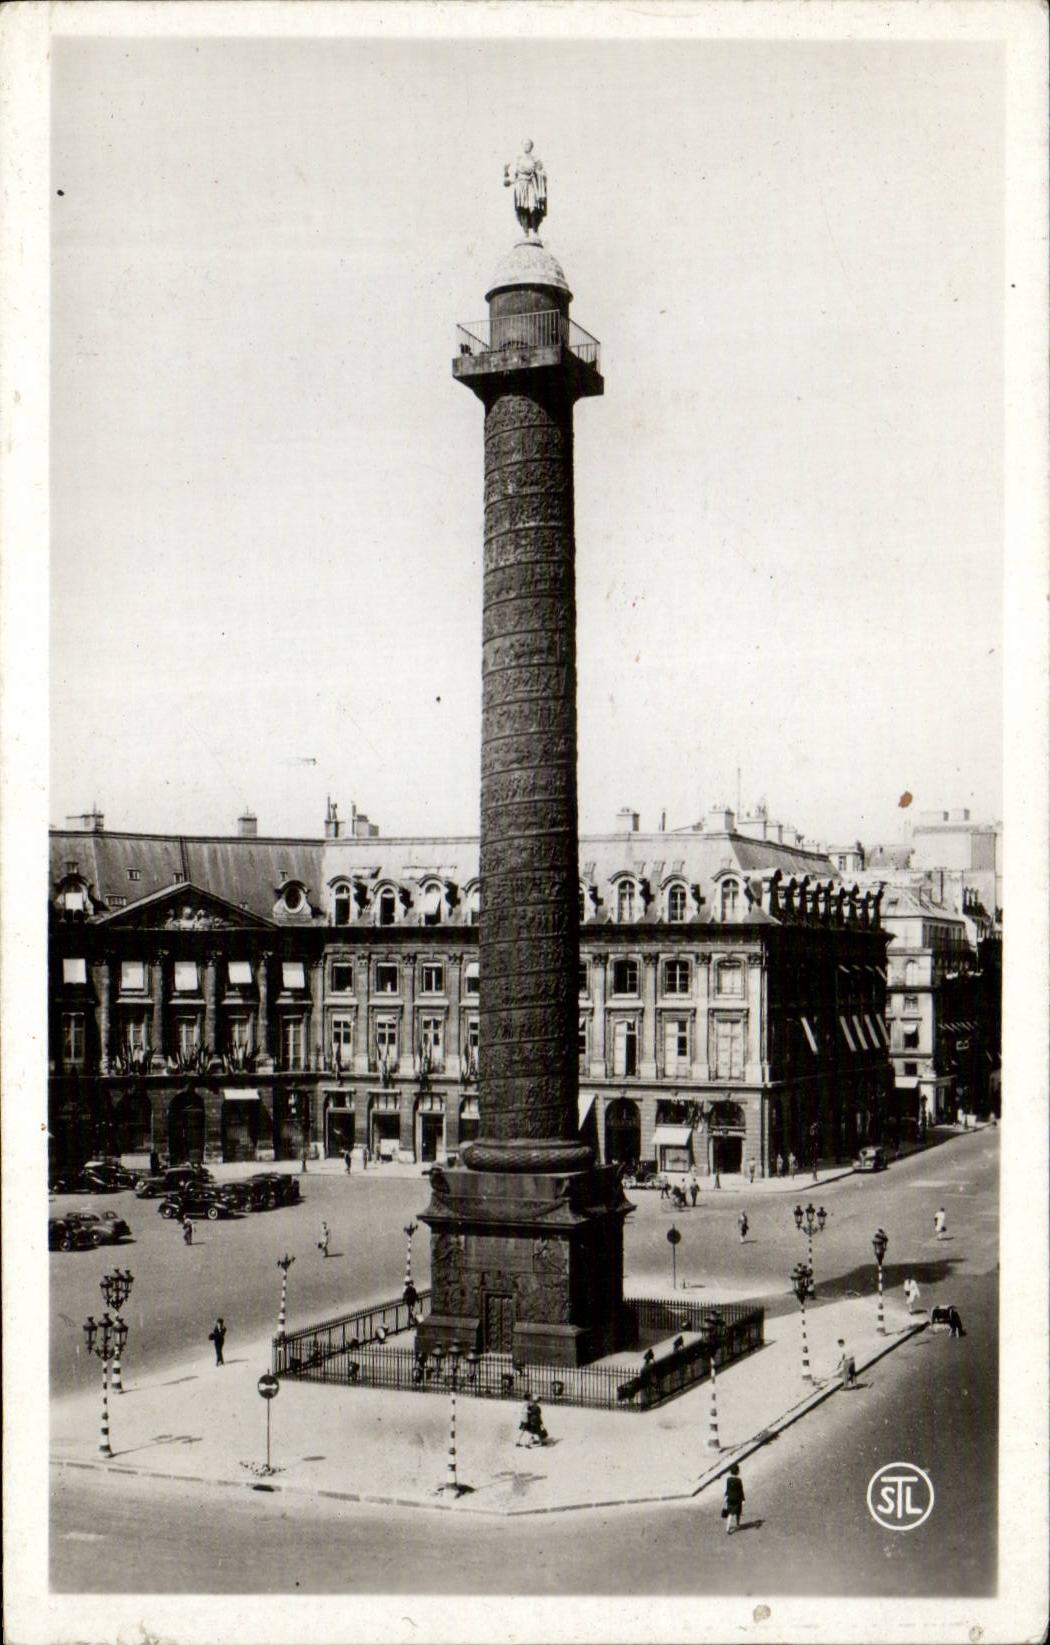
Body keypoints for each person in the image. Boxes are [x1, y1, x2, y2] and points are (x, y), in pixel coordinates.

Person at [722, 1463, 745, 1534]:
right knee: (738, 1512)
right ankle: (737, 1524)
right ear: (737, 1472)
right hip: (737, 1499)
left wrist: (725, 1496)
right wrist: (743, 1499)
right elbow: (741, 1491)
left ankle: (727, 1528)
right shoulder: (739, 1480)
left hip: (730, 1499)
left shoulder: (728, 1480)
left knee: (730, 1514)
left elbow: (728, 1489)